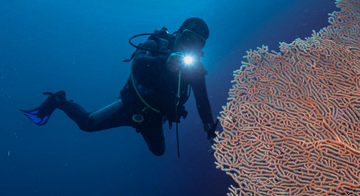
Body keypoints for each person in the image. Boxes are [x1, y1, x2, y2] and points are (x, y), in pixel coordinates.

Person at [21, 17, 218, 156]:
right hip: (132, 104)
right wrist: (165, 63)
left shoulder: (194, 68)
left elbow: (202, 100)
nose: (190, 46)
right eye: (188, 38)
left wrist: (210, 130)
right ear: (179, 32)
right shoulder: (157, 44)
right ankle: (59, 101)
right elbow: (138, 65)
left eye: (198, 44)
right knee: (87, 124)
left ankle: (141, 125)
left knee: (159, 152)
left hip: (155, 116)